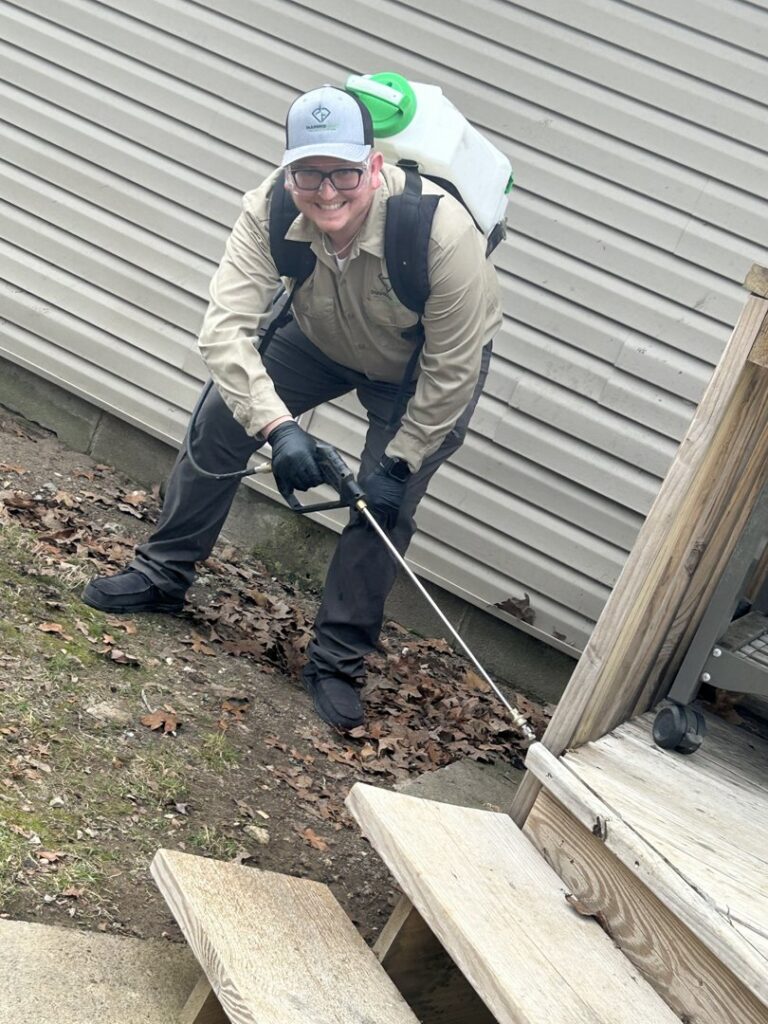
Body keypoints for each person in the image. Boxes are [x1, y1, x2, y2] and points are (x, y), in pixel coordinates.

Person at [83, 85, 502, 731]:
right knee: (220, 423)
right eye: (309, 173)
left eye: (343, 173)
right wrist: (278, 428)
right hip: (317, 334)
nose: (327, 192)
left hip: (416, 368)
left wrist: (400, 463)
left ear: (374, 166)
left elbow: (452, 370)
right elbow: (224, 330)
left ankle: (336, 663)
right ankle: (161, 575)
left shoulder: (441, 234)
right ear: (289, 172)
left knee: (383, 506)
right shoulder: (270, 208)